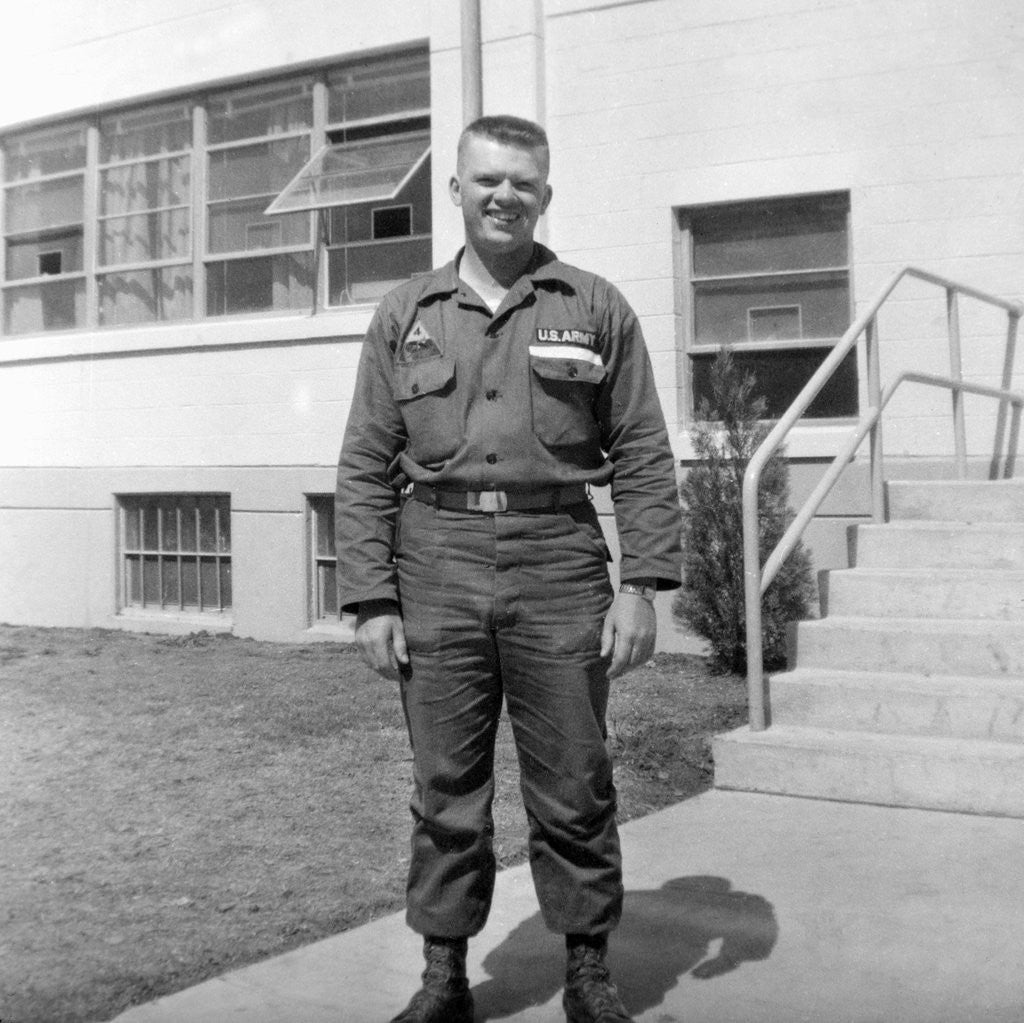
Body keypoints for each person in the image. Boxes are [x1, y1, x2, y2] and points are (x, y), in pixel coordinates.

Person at [335, 114, 682, 1023]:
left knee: (575, 780)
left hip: (559, 560)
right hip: (434, 562)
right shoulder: (405, 313)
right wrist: (371, 596)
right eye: (486, 179)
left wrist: (642, 586)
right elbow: (365, 461)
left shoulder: (594, 305)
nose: (504, 196)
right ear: (455, 190)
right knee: (446, 786)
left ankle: (588, 971)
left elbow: (643, 450)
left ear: (546, 194)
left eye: (522, 182)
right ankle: (444, 976)